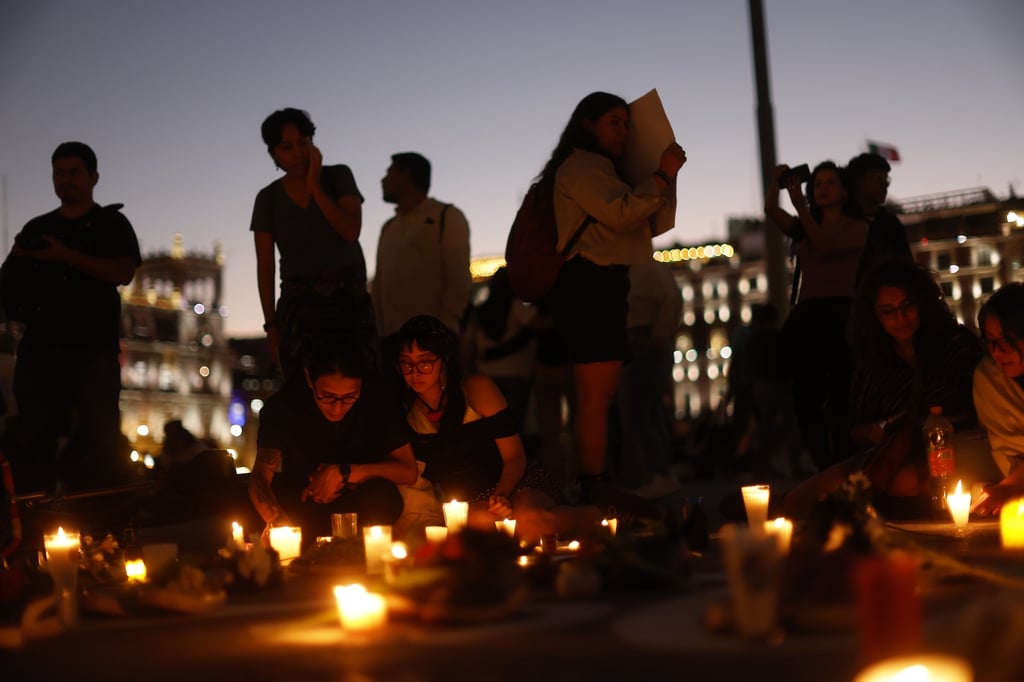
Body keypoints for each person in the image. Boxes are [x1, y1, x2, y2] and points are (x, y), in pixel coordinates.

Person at [541, 91, 686, 505]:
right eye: (613, 122)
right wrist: (662, 174)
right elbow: (622, 211)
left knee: (597, 396)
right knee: (596, 397)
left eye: (627, 123)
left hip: (597, 283)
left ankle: (593, 480)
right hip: (591, 284)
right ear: (587, 124)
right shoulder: (582, 166)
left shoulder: (590, 165)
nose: (623, 131)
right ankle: (593, 484)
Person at [782, 260, 982, 517]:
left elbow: (972, 407)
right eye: (888, 311)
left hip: (952, 452)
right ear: (874, 316)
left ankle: (846, 509)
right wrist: (877, 431)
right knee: (833, 480)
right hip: (884, 455)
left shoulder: (956, 345)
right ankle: (779, 506)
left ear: (922, 302)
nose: (900, 318)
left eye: (906, 306)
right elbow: (856, 427)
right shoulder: (875, 359)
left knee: (902, 479)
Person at [0, 142, 141, 494]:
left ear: (93, 177)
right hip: (40, 350)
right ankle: (37, 526)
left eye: (74, 172)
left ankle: (103, 528)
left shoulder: (112, 224)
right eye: (59, 173)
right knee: (33, 441)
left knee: (99, 442)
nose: (65, 180)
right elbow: (8, 279)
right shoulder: (38, 227)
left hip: (92, 351)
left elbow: (123, 271)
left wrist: (67, 256)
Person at [384, 315, 601, 543]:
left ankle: (595, 514)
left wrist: (502, 495)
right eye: (406, 363)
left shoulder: (476, 389)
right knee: (479, 527)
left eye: (425, 362)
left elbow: (515, 456)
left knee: (529, 522)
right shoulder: (403, 407)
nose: (415, 372)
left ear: (444, 360)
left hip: (513, 482)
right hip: (468, 501)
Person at [248, 337, 418, 545]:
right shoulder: (283, 407)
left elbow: (408, 471)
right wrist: (279, 522)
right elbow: (259, 479)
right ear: (310, 378)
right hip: (302, 505)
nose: (338, 408)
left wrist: (343, 473)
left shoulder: (378, 400)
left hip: (360, 505)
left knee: (384, 497)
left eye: (349, 397)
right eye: (327, 397)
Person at [250, 108, 374, 379]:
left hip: (349, 302)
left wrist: (315, 187)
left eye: (303, 143)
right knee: (307, 387)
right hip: (300, 307)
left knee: (358, 383)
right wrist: (271, 326)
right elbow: (265, 268)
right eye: (286, 147)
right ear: (273, 154)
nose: (297, 153)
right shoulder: (268, 198)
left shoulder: (339, 176)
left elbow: (350, 230)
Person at [766, 161, 867, 472]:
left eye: (830, 183)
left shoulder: (858, 227)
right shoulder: (804, 227)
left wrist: (801, 206)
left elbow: (823, 245)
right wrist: (776, 182)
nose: (822, 188)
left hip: (840, 315)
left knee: (841, 395)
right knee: (805, 397)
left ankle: (843, 466)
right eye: (818, 183)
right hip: (810, 316)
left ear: (845, 191)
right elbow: (771, 209)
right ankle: (824, 466)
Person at [373, 152, 471, 337]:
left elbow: (459, 279)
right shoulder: (388, 228)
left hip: (434, 339)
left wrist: (445, 328)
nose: (383, 180)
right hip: (392, 341)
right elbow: (379, 286)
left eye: (389, 173)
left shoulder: (446, 216)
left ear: (406, 175)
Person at [609, 257, 682, 497]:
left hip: (643, 340)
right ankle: (657, 473)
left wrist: (659, 334)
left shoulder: (645, 269)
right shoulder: (649, 269)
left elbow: (672, 300)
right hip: (643, 339)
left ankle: (657, 474)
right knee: (648, 411)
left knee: (639, 412)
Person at [461, 266, 538, 434]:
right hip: (516, 374)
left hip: (486, 374)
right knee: (514, 429)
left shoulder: (480, 311)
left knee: (490, 430)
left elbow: (469, 343)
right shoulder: (516, 307)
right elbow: (540, 324)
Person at [971, 283, 1024, 516]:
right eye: (990, 341)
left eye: (1005, 341)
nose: (996, 352)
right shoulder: (990, 379)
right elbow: (1011, 448)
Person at [845, 152, 913, 282]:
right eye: (878, 179)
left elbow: (906, 265)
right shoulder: (843, 221)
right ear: (858, 182)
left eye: (886, 179)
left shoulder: (891, 223)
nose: (885, 185)